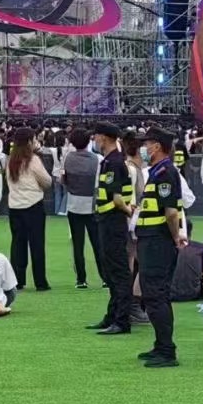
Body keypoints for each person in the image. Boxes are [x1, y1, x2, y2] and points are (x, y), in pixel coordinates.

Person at [134, 128, 187, 369]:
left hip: (158, 241)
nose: (143, 148)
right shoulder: (158, 171)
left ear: (157, 146)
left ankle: (167, 350)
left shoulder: (165, 172)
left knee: (156, 294)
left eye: (146, 144)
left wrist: (175, 236)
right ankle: (160, 344)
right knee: (152, 293)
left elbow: (171, 212)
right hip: (151, 239)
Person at [87, 123, 137, 335]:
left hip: (113, 221)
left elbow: (117, 199)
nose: (94, 140)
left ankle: (122, 319)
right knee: (111, 271)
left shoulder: (114, 162)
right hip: (107, 220)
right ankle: (113, 315)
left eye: (96, 136)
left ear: (104, 138)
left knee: (118, 272)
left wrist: (128, 212)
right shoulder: (109, 161)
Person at [5, 128, 52, 291]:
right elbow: (47, 181)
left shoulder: (10, 160)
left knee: (18, 243)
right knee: (37, 243)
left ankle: (18, 280)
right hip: (33, 205)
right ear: (30, 142)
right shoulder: (33, 160)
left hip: (15, 206)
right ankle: (40, 281)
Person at [60, 128, 102, 290]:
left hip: (74, 204)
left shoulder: (68, 158)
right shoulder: (97, 159)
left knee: (78, 245)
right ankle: (105, 277)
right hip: (92, 204)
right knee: (97, 243)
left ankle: (81, 279)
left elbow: (63, 179)